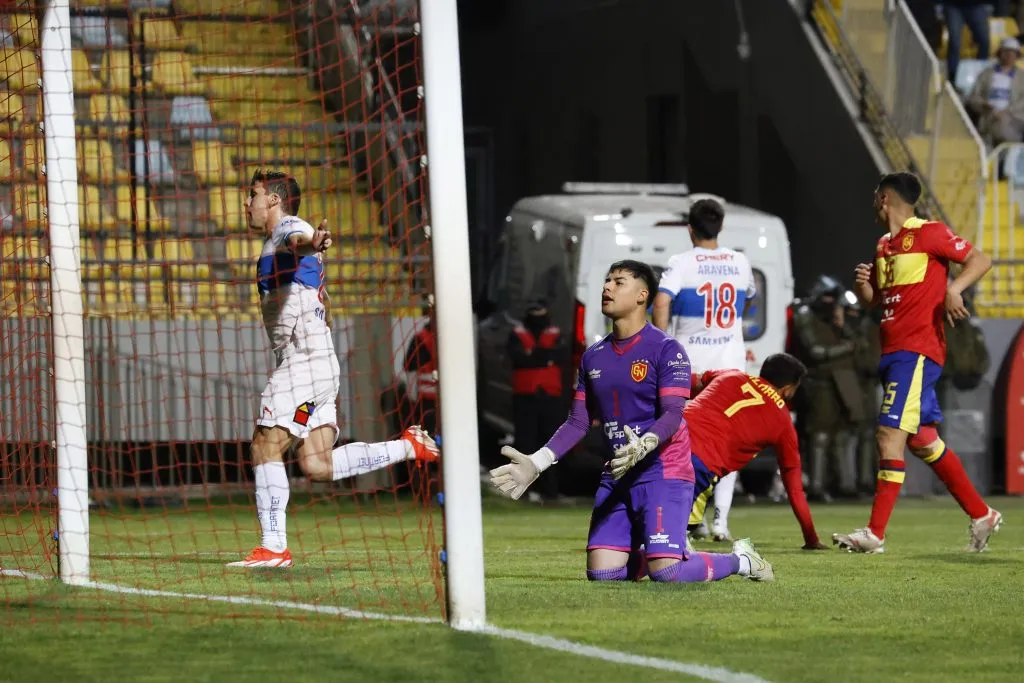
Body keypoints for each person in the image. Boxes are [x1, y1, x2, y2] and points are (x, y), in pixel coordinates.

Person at [489, 260, 773, 583]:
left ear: (642, 295)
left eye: (618, 281)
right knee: (603, 574)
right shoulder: (593, 356)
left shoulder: (666, 349)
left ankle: (740, 560)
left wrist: (646, 442)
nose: (607, 287)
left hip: (663, 470)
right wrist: (537, 462)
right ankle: (663, 551)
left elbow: (672, 413)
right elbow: (578, 421)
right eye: (607, 280)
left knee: (668, 573)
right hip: (619, 471)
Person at [228, 170, 439, 569]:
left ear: (273, 200)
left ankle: (273, 547)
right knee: (316, 463)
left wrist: (315, 242)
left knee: (264, 445)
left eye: (252, 194)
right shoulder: (278, 240)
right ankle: (409, 446)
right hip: (320, 364)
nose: (247, 203)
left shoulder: (287, 228)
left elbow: (300, 240)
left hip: (303, 364)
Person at [833, 172, 1000, 554]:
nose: (873, 203)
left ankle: (875, 534)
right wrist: (864, 288)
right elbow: (877, 300)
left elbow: (980, 259)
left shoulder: (930, 233)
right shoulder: (883, 245)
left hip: (917, 350)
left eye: (875, 196)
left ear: (884, 199)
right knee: (922, 440)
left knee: (888, 436)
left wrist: (954, 289)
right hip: (893, 352)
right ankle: (982, 514)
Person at [652, 197, 756, 543]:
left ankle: (686, 518)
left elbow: (662, 300)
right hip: (729, 367)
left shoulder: (681, 262)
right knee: (727, 444)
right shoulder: (740, 262)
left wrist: (662, 343)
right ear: (721, 227)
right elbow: (748, 298)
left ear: (690, 229)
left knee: (683, 440)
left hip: (691, 365)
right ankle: (720, 522)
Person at [686, 353, 827, 550]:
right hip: (695, 468)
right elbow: (794, 489)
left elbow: (679, 383)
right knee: (669, 548)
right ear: (788, 389)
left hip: (666, 439)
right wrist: (811, 538)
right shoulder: (784, 423)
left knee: (644, 521)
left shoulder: (730, 375)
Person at [790, 275, 864, 501]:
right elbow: (815, 351)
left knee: (843, 435)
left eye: (833, 298)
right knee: (819, 436)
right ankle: (816, 487)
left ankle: (845, 485)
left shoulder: (835, 316)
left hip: (843, 381)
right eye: (827, 297)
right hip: (818, 383)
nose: (830, 302)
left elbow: (858, 342)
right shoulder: (805, 315)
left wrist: (842, 326)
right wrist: (846, 348)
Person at [508, 300, 569, 503]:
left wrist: (532, 357)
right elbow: (518, 358)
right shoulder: (517, 333)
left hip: (550, 396)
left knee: (550, 445)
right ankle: (523, 490)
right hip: (525, 396)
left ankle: (550, 490)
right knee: (524, 443)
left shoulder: (555, 333)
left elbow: (560, 355)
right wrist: (545, 358)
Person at [844, 295, 882, 496]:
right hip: (846, 382)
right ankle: (847, 483)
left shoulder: (869, 328)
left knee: (867, 435)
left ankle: (865, 481)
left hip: (866, 385)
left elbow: (871, 361)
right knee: (846, 435)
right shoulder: (855, 329)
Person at [966, 37, 1024, 147]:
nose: (1009, 55)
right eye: (1006, 52)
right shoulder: (986, 74)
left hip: (1013, 120)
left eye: (1013, 53)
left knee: (1003, 127)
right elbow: (973, 97)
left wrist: (1006, 112)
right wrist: (984, 105)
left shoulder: (1022, 77)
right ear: (1000, 53)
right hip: (988, 117)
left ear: (1017, 56)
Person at [403, 307, 438, 436]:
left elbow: (408, 367)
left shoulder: (420, 338)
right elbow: (409, 367)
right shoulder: (422, 339)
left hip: (426, 401)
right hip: (429, 401)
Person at [943, 0, 990, 88]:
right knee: (954, 42)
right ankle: (953, 78)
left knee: (984, 41)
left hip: (976, 5)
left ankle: (982, 75)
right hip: (954, 6)